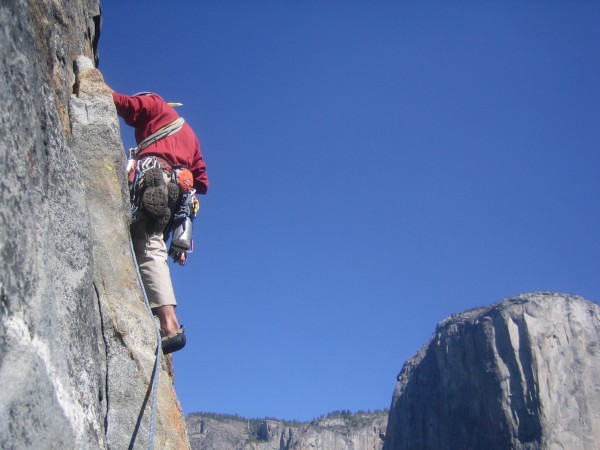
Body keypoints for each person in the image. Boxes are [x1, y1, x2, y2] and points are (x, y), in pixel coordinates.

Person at [112, 91, 209, 354]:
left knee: (148, 245)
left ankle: (169, 326)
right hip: (178, 192)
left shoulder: (154, 104)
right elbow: (202, 181)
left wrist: (95, 83)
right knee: (155, 246)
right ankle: (161, 315)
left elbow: (125, 105)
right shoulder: (189, 134)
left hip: (156, 179)